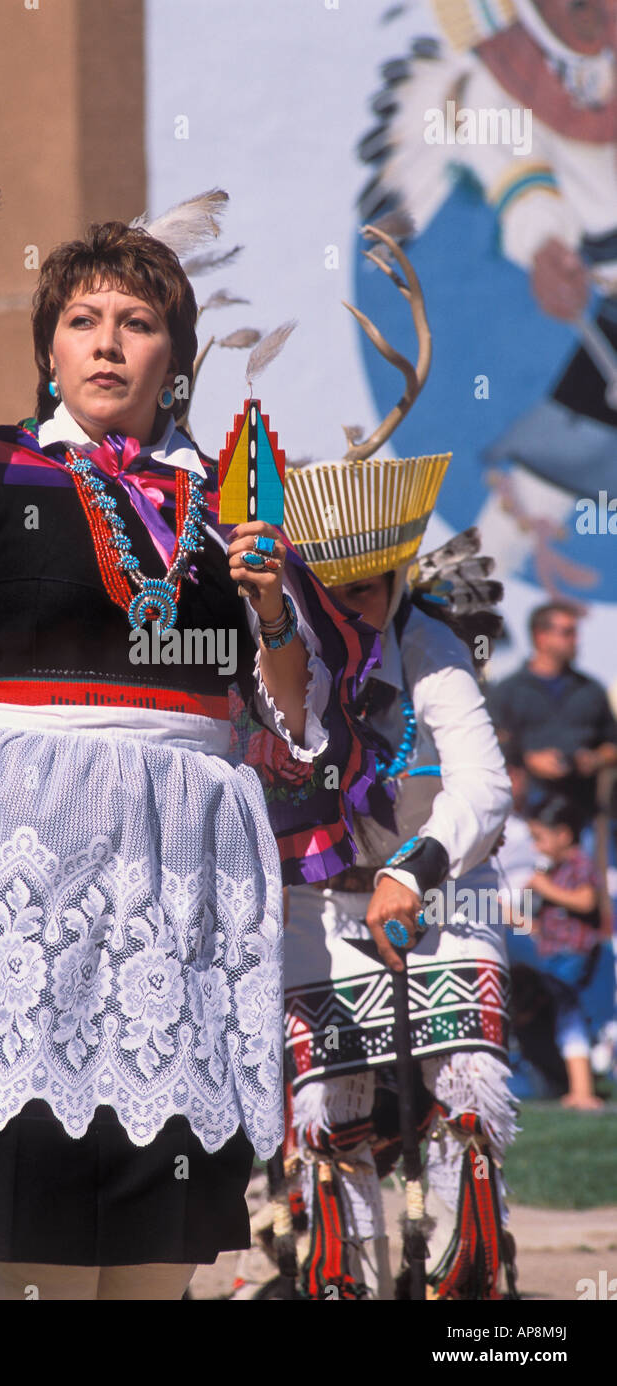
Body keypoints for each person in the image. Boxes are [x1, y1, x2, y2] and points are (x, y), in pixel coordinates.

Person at [0, 215, 378, 1301]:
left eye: (138, 322)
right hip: (28, 883)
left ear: (176, 357)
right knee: (41, 1235)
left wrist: (270, 615)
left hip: (180, 896)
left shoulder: (235, 501)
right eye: (82, 320)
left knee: (160, 1246)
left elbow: (298, 728)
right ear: (50, 348)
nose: (107, 343)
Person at [281, 466, 517, 1297]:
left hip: (444, 899)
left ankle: (471, 1298)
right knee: (330, 1116)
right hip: (314, 904)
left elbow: (484, 786)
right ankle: (348, 1282)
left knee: (466, 1101)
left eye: (374, 589)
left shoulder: (433, 642)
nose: (361, 608)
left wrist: (412, 873)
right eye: (340, 592)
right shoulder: (284, 645)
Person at [488, 602, 617, 826]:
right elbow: (490, 744)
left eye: (575, 632)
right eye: (567, 632)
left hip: (582, 813)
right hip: (524, 815)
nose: (575, 640)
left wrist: (593, 759)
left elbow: (612, 743)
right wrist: (528, 759)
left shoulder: (591, 690)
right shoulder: (508, 691)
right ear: (541, 636)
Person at [525, 794, 606, 1109]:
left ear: (563, 834)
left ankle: (584, 1091)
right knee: (562, 1017)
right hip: (553, 955)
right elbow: (539, 925)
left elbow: (587, 902)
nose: (535, 847)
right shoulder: (555, 871)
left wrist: (545, 889)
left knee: (569, 1016)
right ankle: (573, 1085)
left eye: (539, 839)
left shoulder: (579, 865)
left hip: (573, 954)